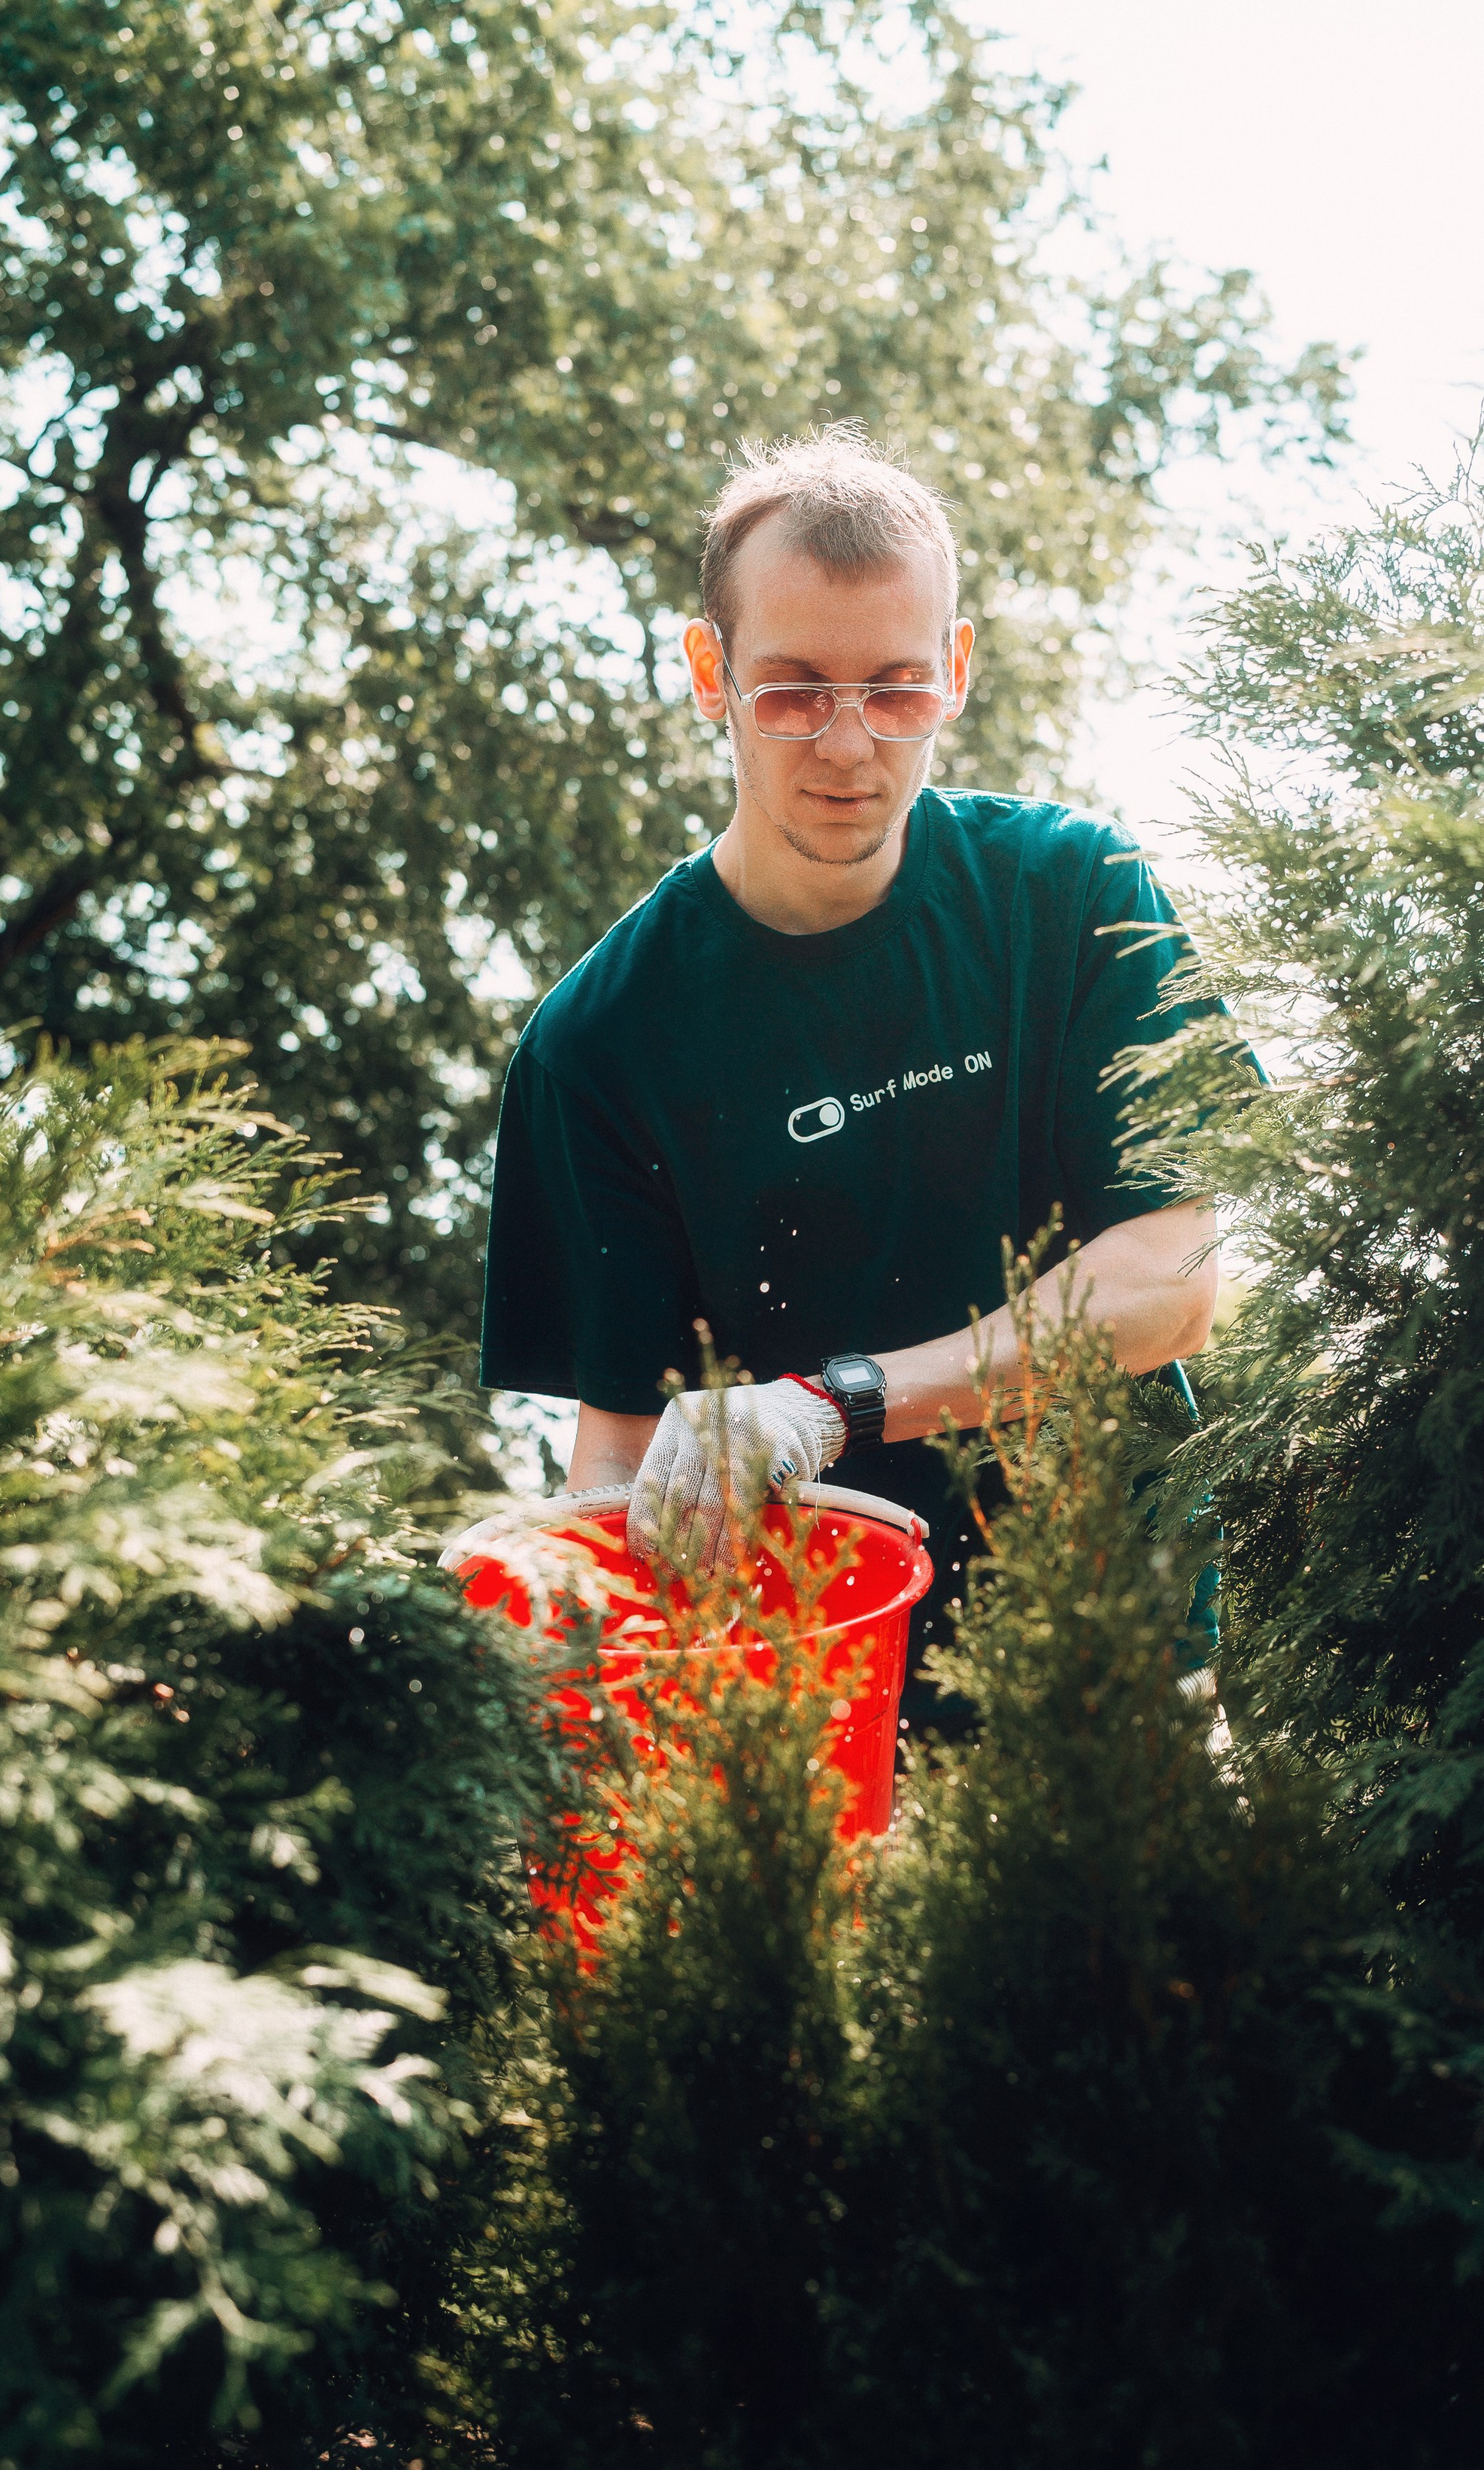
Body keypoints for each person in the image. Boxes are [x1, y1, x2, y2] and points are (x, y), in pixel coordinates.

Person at [479, 425, 1218, 1727]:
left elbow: (1175, 1280)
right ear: (710, 671)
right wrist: (576, 1669)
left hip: (1127, 1687)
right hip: (815, 1723)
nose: (847, 744)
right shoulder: (596, 1048)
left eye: (895, 688)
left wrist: (835, 1406)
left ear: (958, 669)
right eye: (792, 690)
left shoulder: (1078, 895)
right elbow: (620, 1453)